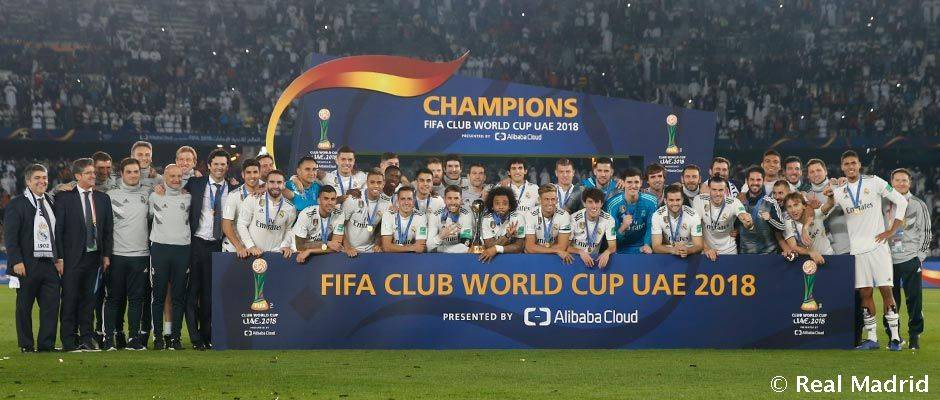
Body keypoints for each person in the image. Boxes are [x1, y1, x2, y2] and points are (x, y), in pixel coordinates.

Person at [830, 150, 908, 351]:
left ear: (859, 165)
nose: (850, 167)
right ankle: (872, 339)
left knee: (886, 291)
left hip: (878, 247)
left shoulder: (874, 182)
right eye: (846, 164)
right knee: (865, 293)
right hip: (857, 251)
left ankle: (895, 338)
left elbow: (902, 201)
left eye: (853, 163)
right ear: (842, 167)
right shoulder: (839, 191)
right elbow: (824, 211)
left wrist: (891, 230)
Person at [54, 158, 114, 352]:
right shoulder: (64, 198)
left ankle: (86, 339)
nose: (93, 176)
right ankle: (68, 340)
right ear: (77, 176)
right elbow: (58, 231)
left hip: (95, 257)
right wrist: (59, 258)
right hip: (71, 258)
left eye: (93, 172)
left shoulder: (103, 199)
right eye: (88, 173)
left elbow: (108, 230)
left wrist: (106, 255)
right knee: (70, 299)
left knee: (89, 301)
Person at [181, 149, 236, 350]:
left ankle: (207, 335)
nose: (220, 167)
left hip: (217, 245)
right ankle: (195, 338)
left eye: (223, 164)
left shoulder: (234, 189)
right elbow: (174, 189)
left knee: (209, 294)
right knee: (192, 292)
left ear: (227, 167)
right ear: (209, 165)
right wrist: (161, 187)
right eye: (216, 164)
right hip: (196, 243)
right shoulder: (195, 183)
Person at [4, 164, 60, 352]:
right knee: (24, 307)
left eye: (44, 177)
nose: (42, 181)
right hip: (26, 264)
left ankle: (46, 345)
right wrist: (16, 261)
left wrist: (59, 258)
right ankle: (26, 345)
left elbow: (56, 234)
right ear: (28, 181)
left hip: (49, 264)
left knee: (51, 306)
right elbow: (10, 237)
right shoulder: (16, 204)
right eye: (37, 178)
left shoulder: (51, 201)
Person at [103, 158, 152, 351]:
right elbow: (105, 227)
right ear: (121, 174)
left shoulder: (148, 194)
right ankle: (109, 339)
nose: (133, 175)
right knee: (113, 299)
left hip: (141, 255)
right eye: (129, 172)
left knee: (136, 299)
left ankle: (133, 339)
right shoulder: (110, 195)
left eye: (136, 171)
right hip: (117, 255)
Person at [881, 168, 931, 350]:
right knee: (890, 300)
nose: (901, 183)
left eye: (904, 180)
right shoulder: (883, 203)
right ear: (891, 182)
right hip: (887, 259)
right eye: (897, 180)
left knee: (914, 300)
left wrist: (920, 257)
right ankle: (893, 336)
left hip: (910, 258)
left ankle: (914, 336)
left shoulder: (918, 204)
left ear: (910, 183)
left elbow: (926, 231)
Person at [148, 164, 191, 351]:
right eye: (172, 176)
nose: (176, 179)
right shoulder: (154, 196)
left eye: (179, 176)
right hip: (160, 249)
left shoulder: (188, 197)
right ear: (164, 177)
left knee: (178, 297)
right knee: (158, 296)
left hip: (182, 250)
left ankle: (176, 337)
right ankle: (158, 337)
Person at [236, 170, 296, 258]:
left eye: (279, 182)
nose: (276, 186)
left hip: (276, 254)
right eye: (272, 182)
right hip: (253, 253)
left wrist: (285, 245)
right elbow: (241, 224)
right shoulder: (253, 199)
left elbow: (289, 229)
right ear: (266, 184)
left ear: (283, 185)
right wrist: (251, 246)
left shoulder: (290, 208)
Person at [692, 175, 753, 260]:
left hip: (729, 250)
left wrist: (748, 222)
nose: (717, 194)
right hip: (706, 250)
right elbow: (695, 228)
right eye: (714, 190)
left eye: (721, 190)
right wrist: (706, 249)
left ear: (726, 190)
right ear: (709, 189)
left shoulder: (734, 202)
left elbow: (743, 216)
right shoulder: (699, 200)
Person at [607, 167, 659, 254]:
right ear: (623, 183)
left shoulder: (651, 202)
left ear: (641, 183)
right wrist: (622, 227)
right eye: (629, 182)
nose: (633, 186)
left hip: (643, 248)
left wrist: (647, 244)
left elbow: (650, 227)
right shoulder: (612, 204)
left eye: (636, 182)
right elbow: (611, 237)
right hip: (620, 250)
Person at [804, 158, 851, 255]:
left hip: (845, 245)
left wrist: (849, 184)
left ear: (825, 171)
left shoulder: (840, 186)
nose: (816, 174)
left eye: (818, 170)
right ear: (808, 175)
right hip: (822, 249)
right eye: (812, 172)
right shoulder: (807, 197)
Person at [737, 166, 786, 255]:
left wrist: (770, 219)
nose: (755, 183)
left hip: (768, 255)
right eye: (752, 179)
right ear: (747, 181)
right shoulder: (738, 202)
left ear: (763, 181)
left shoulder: (771, 202)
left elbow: (782, 227)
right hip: (745, 255)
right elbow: (733, 225)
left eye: (758, 180)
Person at [341, 170, 389, 256]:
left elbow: (382, 227)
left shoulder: (387, 203)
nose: (376, 186)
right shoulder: (353, 199)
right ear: (367, 183)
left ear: (384, 184)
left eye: (379, 182)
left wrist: (378, 243)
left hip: (371, 250)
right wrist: (347, 247)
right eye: (372, 182)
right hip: (349, 250)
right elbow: (340, 224)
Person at [294, 185, 346, 262]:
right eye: (326, 199)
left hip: (317, 252)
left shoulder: (339, 214)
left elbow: (336, 247)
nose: (330, 203)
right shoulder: (306, 214)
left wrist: (311, 251)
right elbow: (300, 246)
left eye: (333, 199)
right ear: (318, 200)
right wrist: (327, 243)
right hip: (299, 253)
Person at [568, 188, 617, 268]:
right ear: (584, 203)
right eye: (590, 202)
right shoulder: (574, 218)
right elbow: (565, 246)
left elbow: (613, 246)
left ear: (601, 204)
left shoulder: (609, 219)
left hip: (593, 260)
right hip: (574, 258)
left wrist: (607, 252)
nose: (594, 206)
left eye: (597, 202)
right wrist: (580, 252)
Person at [222, 159, 262, 257]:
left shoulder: (267, 192)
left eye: (255, 172)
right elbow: (226, 225)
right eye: (248, 172)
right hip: (237, 249)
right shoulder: (233, 195)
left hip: (259, 248)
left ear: (260, 174)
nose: (252, 176)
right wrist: (239, 247)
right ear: (243, 175)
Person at [781, 192, 834, 266]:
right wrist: (810, 252)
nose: (793, 210)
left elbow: (829, 204)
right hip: (808, 261)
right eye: (789, 207)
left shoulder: (816, 213)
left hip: (828, 255)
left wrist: (830, 196)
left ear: (804, 206)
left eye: (796, 205)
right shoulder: (788, 223)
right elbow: (793, 246)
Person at [524, 184, 573, 263]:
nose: (550, 203)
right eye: (546, 199)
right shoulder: (530, 215)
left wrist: (539, 249)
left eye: (553, 199)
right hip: (534, 258)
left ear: (557, 200)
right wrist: (556, 251)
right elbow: (529, 247)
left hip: (553, 258)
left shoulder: (564, 215)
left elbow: (562, 247)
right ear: (539, 200)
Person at [651, 184, 703, 258]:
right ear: (665, 201)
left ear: (682, 200)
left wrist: (688, 250)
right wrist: (673, 250)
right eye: (671, 200)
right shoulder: (657, 215)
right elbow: (656, 246)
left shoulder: (693, 215)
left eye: (678, 200)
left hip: (689, 253)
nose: (675, 203)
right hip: (668, 253)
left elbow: (699, 245)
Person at [479, 186, 525, 262]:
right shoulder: (486, 220)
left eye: (504, 203)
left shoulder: (518, 218)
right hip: (492, 260)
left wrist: (497, 249)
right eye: (497, 203)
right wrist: (507, 236)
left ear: (510, 206)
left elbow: (519, 247)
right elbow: (489, 246)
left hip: (513, 259)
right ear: (492, 206)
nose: (501, 207)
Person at [380, 186, 427, 253]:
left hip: (411, 256)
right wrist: (411, 248)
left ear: (414, 201)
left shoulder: (421, 217)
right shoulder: (388, 215)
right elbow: (386, 247)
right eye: (403, 199)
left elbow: (420, 248)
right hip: (392, 256)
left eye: (409, 199)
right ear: (398, 201)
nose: (406, 202)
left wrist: (394, 247)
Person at [427, 185, 474, 253]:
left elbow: (466, 245)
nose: (453, 202)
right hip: (438, 257)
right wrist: (440, 237)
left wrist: (439, 249)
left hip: (458, 256)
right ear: (444, 200)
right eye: (449, 198)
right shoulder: (435, 216)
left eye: (456, 198)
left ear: (461, 200)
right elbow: (429, 246)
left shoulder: (466, 215)